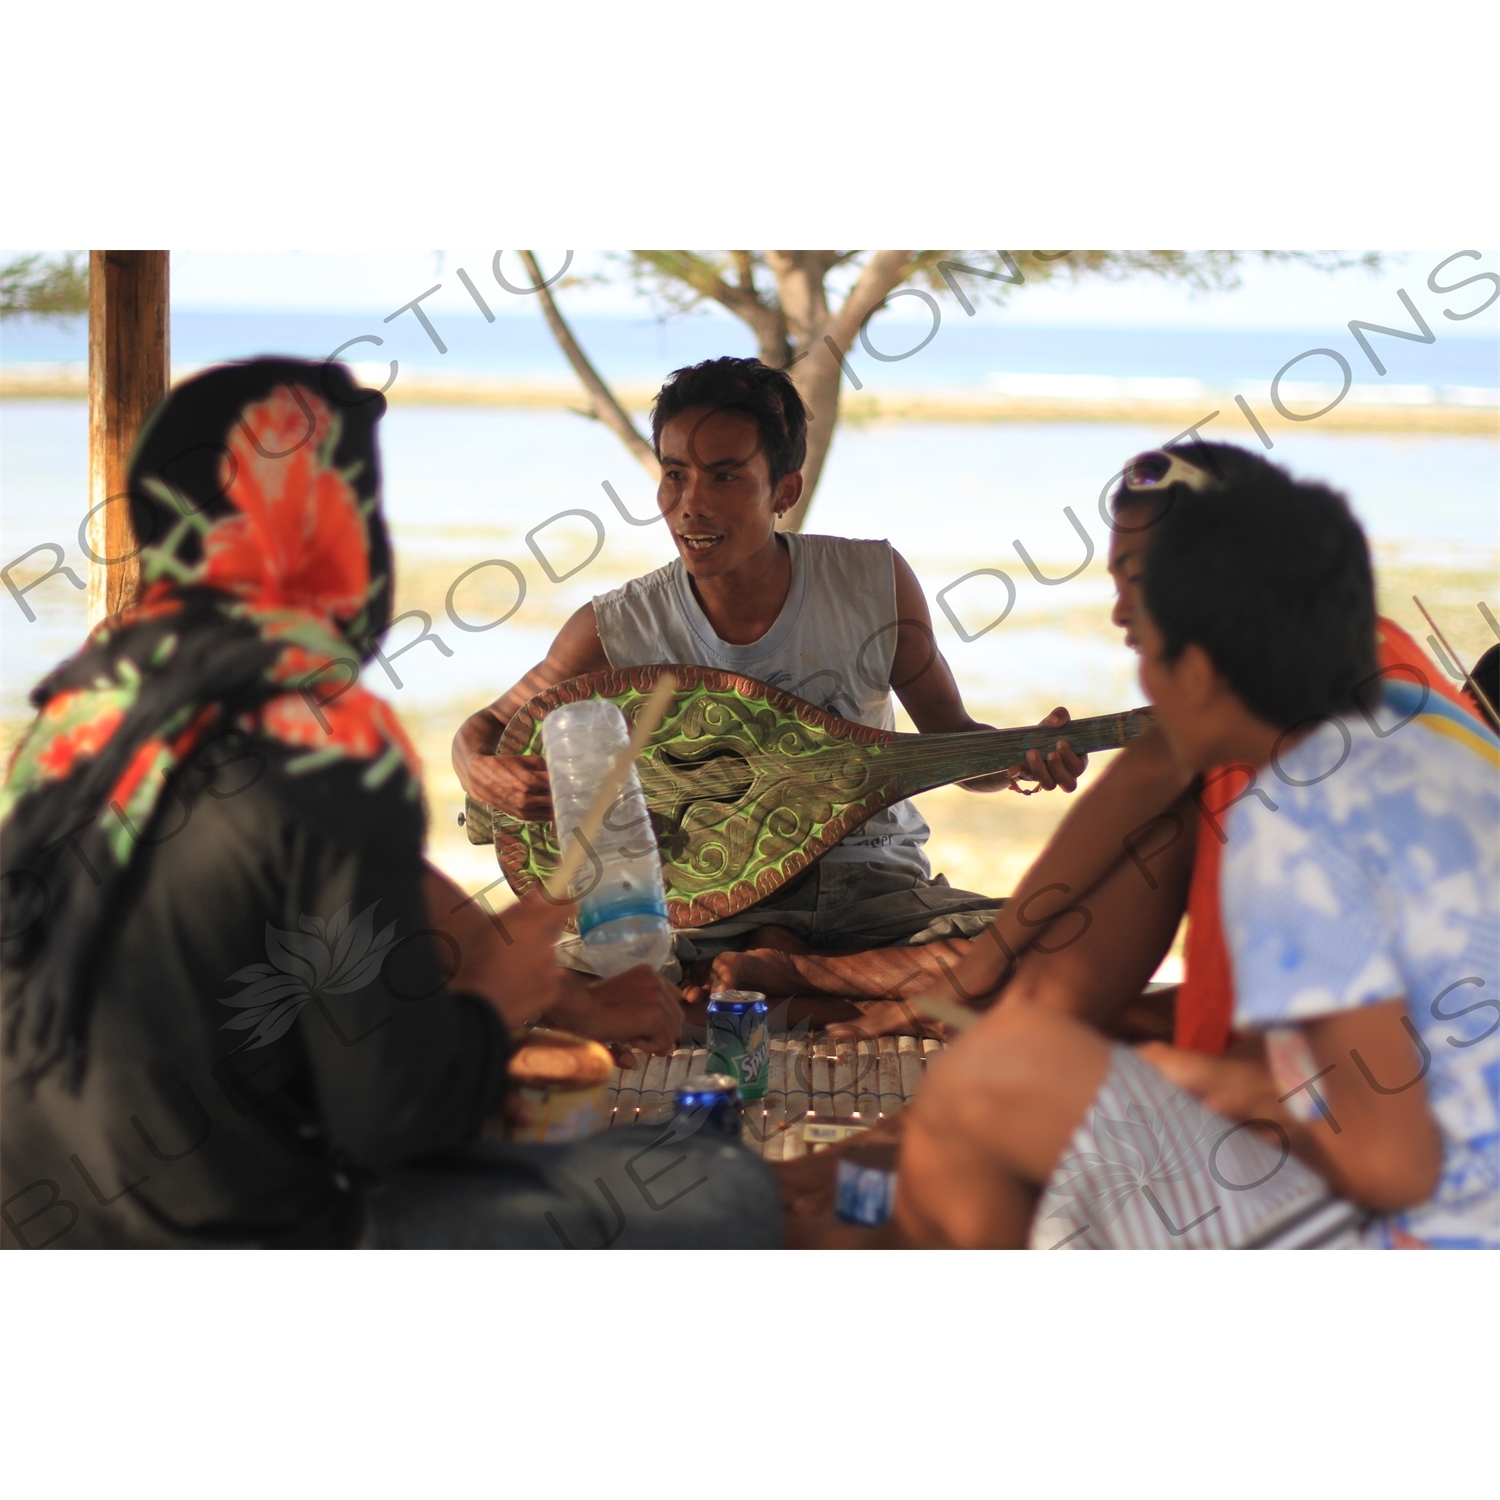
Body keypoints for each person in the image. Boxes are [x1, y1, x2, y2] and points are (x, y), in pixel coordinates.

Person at [0, 359, 779, 1250]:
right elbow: (395, 1118)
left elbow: (358, 893)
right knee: (716, 1184)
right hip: (235, 1237)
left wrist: (561, 996)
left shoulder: (86, 719)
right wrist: (496, 998)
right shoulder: (328, 756)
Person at [894, 450, 1500, 1248]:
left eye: (1144, 612)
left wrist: (1221, 1090)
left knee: (985, 1091)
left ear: (1210, 659)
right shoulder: (1404, 732)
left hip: (1416, 1233)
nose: (1122, 626)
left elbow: (1387, 1162)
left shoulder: (1301, 815)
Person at [451, 356, 1087, 1003]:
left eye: (725, 477)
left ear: (785, 490)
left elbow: (953, 740)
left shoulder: (873, 582)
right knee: (514, 983)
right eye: (675, 475)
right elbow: (487, 728)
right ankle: (795, 977)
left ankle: (793, 975)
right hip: (702, 912)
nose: (690, 505)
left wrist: (1016, 760)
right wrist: (481, 771)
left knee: (1068, 941)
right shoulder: (616, 627)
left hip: (868, 892)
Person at [829, 443, 1491, 1047]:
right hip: (1336, 1075)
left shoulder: (1351, 718)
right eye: (1118, 581)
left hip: (1411, 1103)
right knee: (1026, 1026)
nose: (1120, 613)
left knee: (1012, 1071)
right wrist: (976, 979)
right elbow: (1145, 775)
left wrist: (980, 985)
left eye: (1141, 580)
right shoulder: (1296, 671)